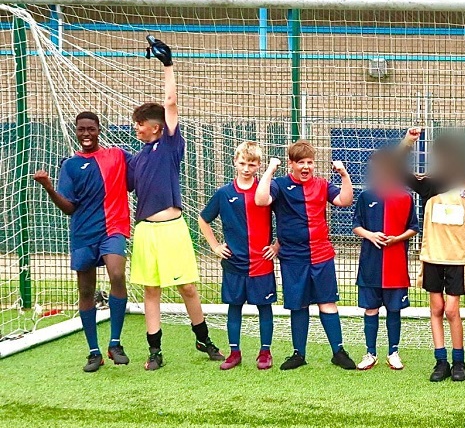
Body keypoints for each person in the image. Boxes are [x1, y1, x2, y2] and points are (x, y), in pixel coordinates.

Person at [128, 36, 223, 371]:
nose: (135, 128)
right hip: (145, 233)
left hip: (173, 230)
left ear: (154, 127)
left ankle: (204, 339)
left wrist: (167, 64)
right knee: (151, 291)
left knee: (187, 288)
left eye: (139, 124)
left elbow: (170, 103)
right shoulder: (135, 160)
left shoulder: (169, 145)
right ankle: (155, 351)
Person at [32, 111, 132, 372]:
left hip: (112, 229)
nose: (86, 134)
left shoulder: (117, 156)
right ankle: (94, 352)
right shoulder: (70, 165)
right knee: (86, 291)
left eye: (91, 129)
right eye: (81, 130)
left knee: (117, 274)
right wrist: (48, 187)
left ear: (99, 130)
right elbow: (68, 208)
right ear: (76, 132)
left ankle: (115, 343)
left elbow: (139, 175)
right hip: (83, 234)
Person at [255, 141, 356, 371]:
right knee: (298, 306)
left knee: (327, 303)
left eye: (309, 162)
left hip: (321, 255)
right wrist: (270, 170)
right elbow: (261, 200)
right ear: (291, 164)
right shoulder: (279, 185)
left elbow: (344, 200)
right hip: (293, 258)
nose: (306, 167)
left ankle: (338, 352)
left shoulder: (321, 184)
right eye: (301, 162)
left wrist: (344, 175)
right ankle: (299, 353)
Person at [399, 127, 465, 383]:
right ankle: (441, 361)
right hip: (432, 256)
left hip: (456, 258)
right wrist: (408, 141)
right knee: (436, 307)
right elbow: (396, 167)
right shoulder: (429, 184)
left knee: (453, 310)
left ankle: (459, 360)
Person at [197, 141, 280, 371]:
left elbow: (285, 219)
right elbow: (203, 219)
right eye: (242, 163)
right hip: (234, 264)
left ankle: (265, 352)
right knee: (234, 308)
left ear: (259, 165)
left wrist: (277, 246)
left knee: (265, 308)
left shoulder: (267, 190)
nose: (246, 168)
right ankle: (234, 352)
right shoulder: (224, 193)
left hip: (261, 263)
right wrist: (214, 246)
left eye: (251, 164)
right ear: (234, 162)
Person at [352, 148, 419, 371]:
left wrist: (397, 239)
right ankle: (370, 353)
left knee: (394, 310)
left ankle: (393, 352)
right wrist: (371, 235)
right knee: (370, 310)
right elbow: (356, 226)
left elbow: (413, 228)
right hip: (370, 266)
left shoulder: (405, 197)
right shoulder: (365, 196)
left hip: (396, 267)